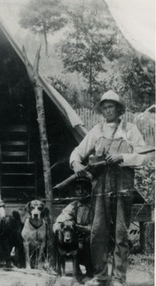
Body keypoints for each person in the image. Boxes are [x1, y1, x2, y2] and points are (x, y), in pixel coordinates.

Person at [69, 90, 147, 286]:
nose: (108, 110)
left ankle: (120, 278)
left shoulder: (130, 129)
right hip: (100, 189)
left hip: (123, 188)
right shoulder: (96, 131)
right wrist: (76, 163)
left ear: (119, 109)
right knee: (98, 232)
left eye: (111, 106)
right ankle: (101, 275)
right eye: (104, 107)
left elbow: (145, 156)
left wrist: (123, 157)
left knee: (121, 233)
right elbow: (78, 152)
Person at [53, 176, 94, 281]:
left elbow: (100, 228)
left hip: (93, 240)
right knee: (63, 240)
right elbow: (60, 221)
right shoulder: (73, 206)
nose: (80, 192)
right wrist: (59, 229)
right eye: (77, 189)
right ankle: (74, 273)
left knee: (89, 240)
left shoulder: (96, 206)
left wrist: (86, 229)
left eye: (84, 188)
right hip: (76, 239)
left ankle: (91, 273)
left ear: (90, 189)